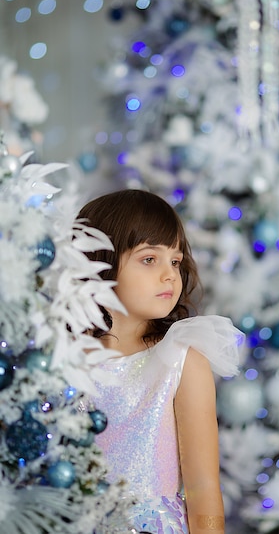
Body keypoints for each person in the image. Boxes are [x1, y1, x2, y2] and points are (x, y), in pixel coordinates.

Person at [77, 189, 244, 534]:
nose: (170, 275)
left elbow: (203, 488)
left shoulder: (182, 360)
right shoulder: (64, 358)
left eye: (176, 261)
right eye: (150, 259)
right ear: (99, 261)